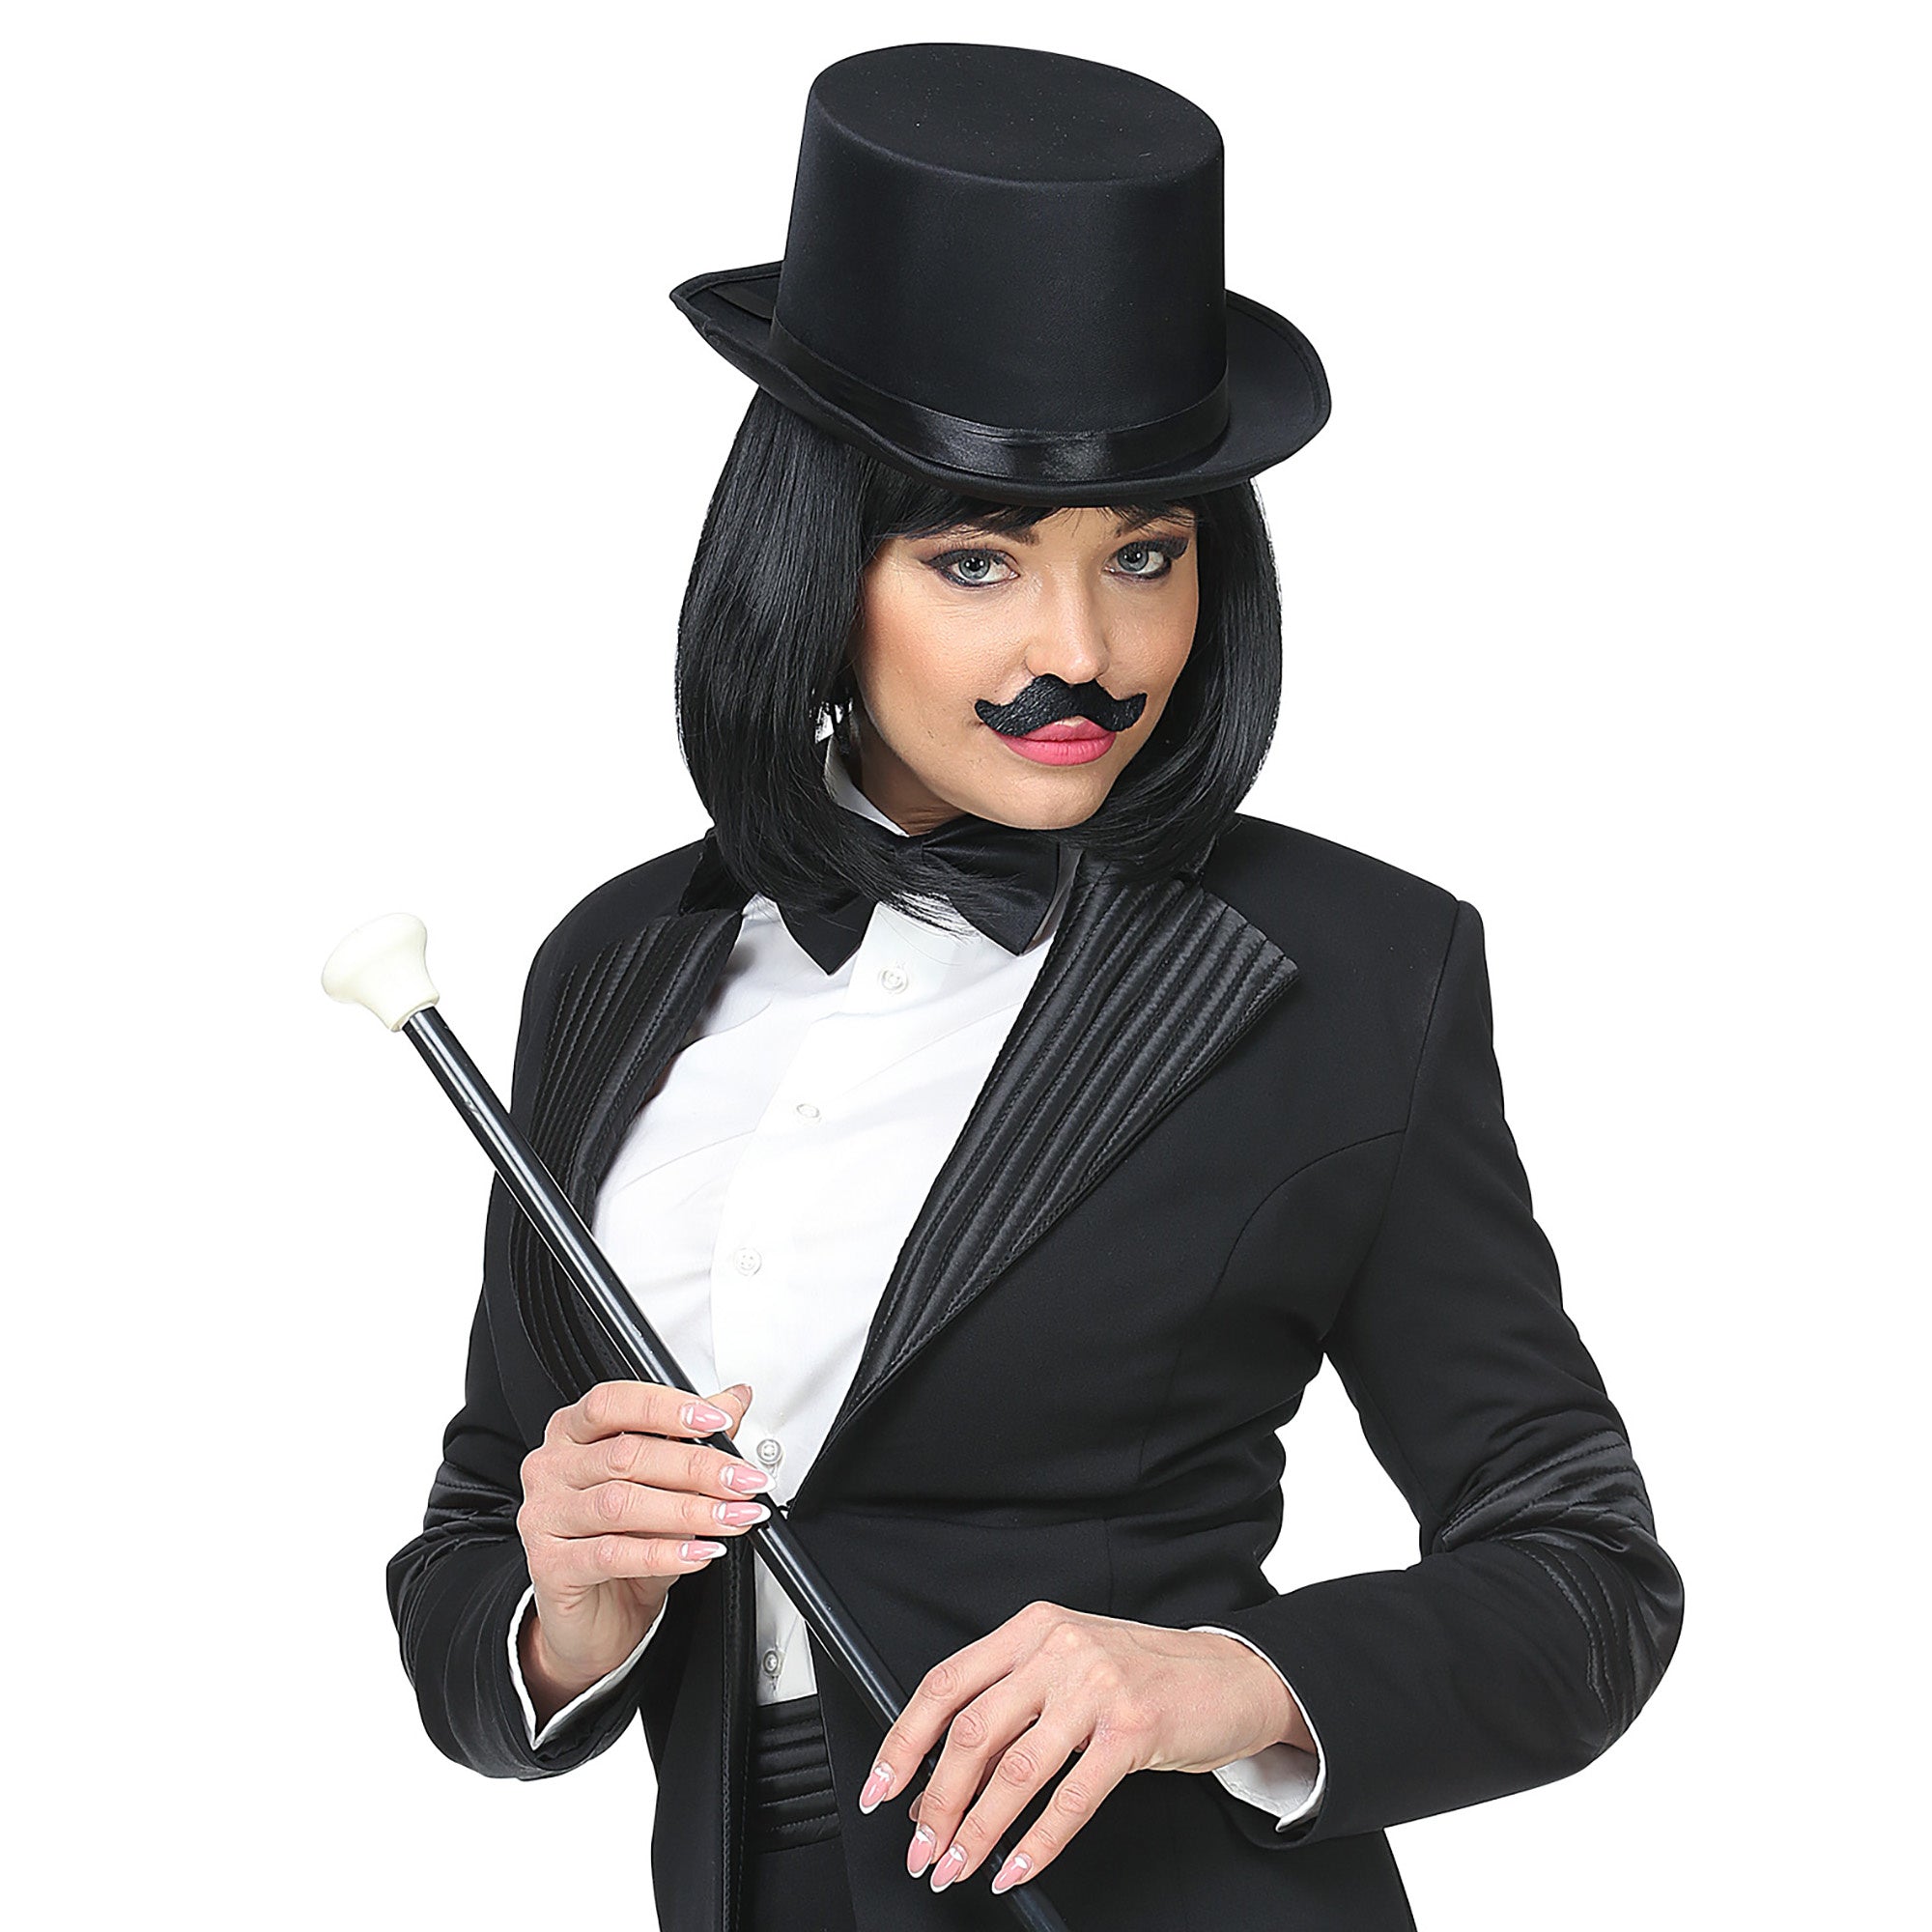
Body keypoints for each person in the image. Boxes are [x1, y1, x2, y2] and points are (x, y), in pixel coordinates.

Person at [384, 42, 1684, 1932]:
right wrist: (565, 1607)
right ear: (813, 568)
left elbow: (1583, 1578)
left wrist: (1223, 1684)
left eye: (1143, 556)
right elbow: (474, 1543)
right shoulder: (615, 962)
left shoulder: (1352, 967)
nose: (1084, 651)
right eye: (979, 561)